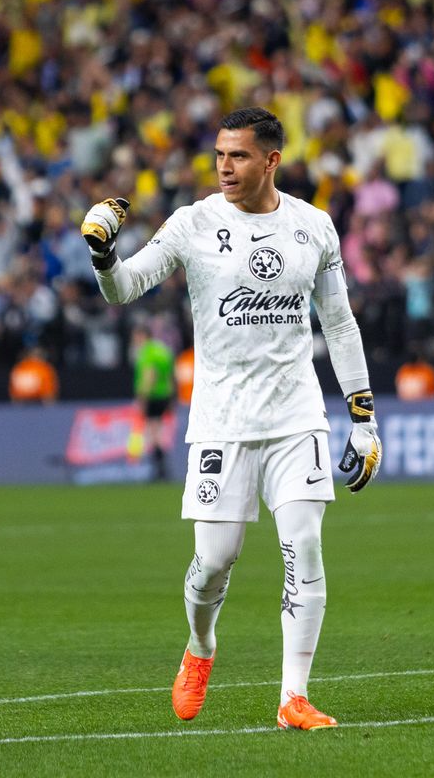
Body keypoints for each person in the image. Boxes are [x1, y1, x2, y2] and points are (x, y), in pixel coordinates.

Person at [81, 107, 381, 731]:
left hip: (296, 417)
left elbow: (341, 323)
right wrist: (105, 258)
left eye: (239, 155)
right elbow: (126, 288)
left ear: (271, 160)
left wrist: (363, 417)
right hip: (220, 422)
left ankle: (292, 697)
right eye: (219, 153)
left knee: (305, 544)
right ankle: (200, 646)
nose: (225, 165)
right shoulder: (193, 224)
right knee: (214, 561)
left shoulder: (314, 228)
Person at [127, 322, 176, 480]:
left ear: (142, 336)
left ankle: (160, 470)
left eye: (136, 336)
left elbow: (150, 374)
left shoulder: (147, 352)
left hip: (153, 396)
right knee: (158, 431)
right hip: (165, 395)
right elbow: (169, 376)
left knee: (152, 432)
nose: (134, 340)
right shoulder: (162, 350)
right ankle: (161, 468)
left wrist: (142, 397)